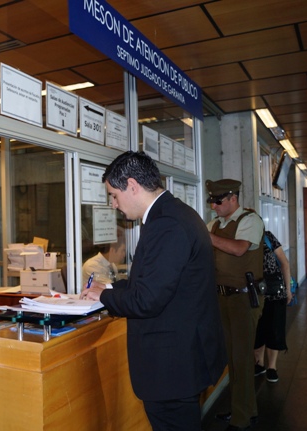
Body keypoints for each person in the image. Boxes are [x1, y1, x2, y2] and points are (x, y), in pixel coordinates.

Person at [80, 151, 227, 431]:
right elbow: (154, 282)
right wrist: (108, 286)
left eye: (114, 195)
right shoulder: (173, 214)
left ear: (132, 186)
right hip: (181, 361)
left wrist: (103, 297)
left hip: (172, 367)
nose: (113, 204)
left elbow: (147, 299)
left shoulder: (166, 225)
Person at [206, 179, 265, 431]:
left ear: (233, 198)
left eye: (218, 201)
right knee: (232, 356)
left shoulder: (249, 221)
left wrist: (207, 237)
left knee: (241, 357)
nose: (214, 206)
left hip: (243, 297)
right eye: (212, 201)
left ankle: (242, 418)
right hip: (222, 297)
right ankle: (244, 408)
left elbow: (239, 249)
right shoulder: (216, 225)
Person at [254, 230, 293, 383]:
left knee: (274, 328)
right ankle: (259, 364)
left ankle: (272, 367)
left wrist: (288, 289)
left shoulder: (267, 237)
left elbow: (284, 262)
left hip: (275, 292)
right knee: (258, 329)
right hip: (254, 294)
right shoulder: (241, 239)